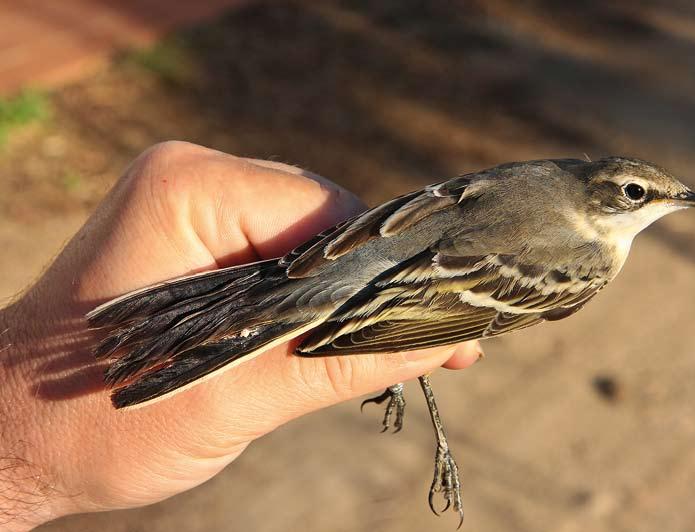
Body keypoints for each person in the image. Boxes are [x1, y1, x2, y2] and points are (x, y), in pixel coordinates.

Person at [0, 142, 481, 530]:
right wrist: (28, 455)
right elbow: (432, 309)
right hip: (370, 276)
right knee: (418, 338)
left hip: (364, 252)